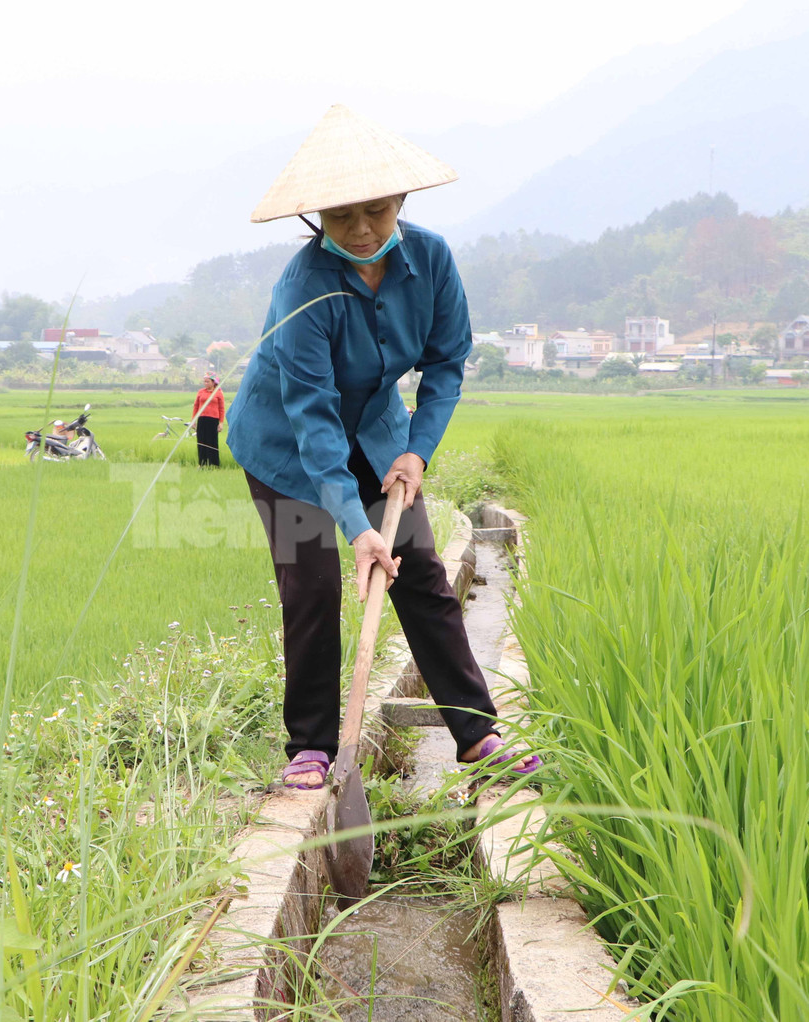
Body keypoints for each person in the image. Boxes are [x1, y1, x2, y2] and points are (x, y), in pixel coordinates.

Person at [227, 105, 538, 790]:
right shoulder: (303, 289)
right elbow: (311, 421)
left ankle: (476, 732)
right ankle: (311, 745)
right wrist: (357, 526)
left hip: (377, 431)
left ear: (399, 199)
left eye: (375, 211)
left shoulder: (430, 261)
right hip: (284, 448)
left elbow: (448, 363)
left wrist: (418, 451)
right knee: (311, 585)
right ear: (318, 220)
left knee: (421, 574)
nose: (362, 230)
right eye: (342, 218)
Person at [193, 372, 226, 467]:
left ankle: (214, 464)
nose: (205, 383)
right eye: (204, 382)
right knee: (201, 441)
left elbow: (221, 409)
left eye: (207, 382)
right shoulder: (201, 392)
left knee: (212, 442)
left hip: (213, 420)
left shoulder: (218, 393)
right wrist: (193, 420)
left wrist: (221, 423)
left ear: (213, 382)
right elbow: (196, 406)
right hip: (202, 419)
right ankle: (202, 464)